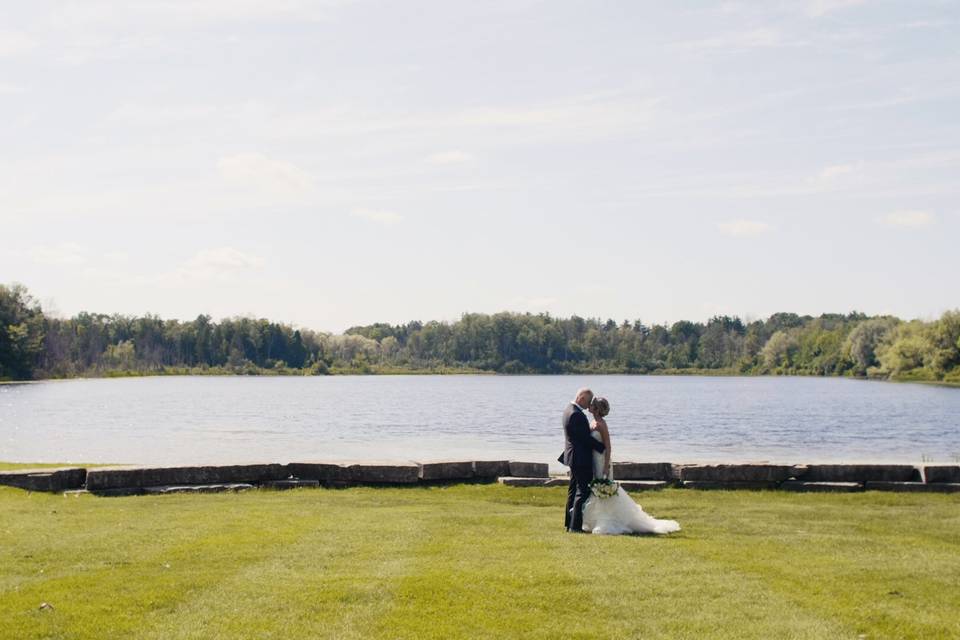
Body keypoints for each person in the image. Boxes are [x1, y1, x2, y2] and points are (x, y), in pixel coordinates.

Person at [581, 396, 681, 535]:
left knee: (603, 487)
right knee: (595, 488)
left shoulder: (602, 424)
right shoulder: (592, 422)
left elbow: (608, 447)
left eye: (592, 405)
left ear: (596, 409)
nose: (589, 407)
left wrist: (606, 466)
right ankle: (595, 519)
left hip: (602, 460)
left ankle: (607, 521)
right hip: (593, 459)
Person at [558, 388, 605, 533]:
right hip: (579, 458)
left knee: (573, 491)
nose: (589, 405)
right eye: (589, 401)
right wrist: (601, 447)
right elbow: (584, 439)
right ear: (582, 398)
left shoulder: (568, 410)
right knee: (582, 491)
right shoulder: (576, 414)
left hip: (573, 457)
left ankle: (569, 523)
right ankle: (575, 526)